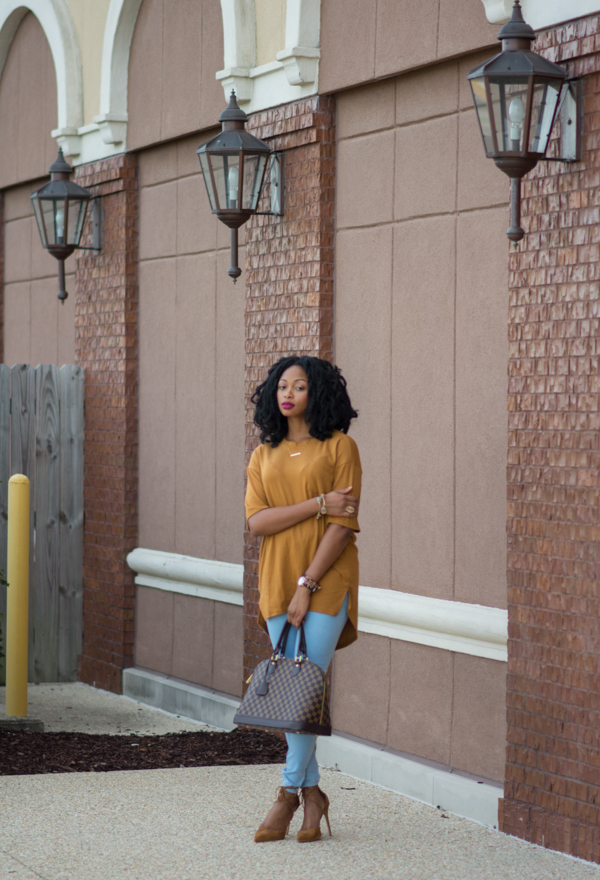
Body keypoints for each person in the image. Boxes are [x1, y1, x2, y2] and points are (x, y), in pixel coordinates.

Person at [245, 355, 361, 843]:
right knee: (297, 694)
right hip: (274, 579)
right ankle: (315, 795)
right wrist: (316, 504)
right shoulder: (262, 456)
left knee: (306, 682)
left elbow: (343, 525)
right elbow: (257, 523)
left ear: (319, 394)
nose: (288, 393)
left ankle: (287, 795)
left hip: (325, 580)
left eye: (300, 386)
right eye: (282, 386)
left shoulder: (341, 448)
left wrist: (306, 585)